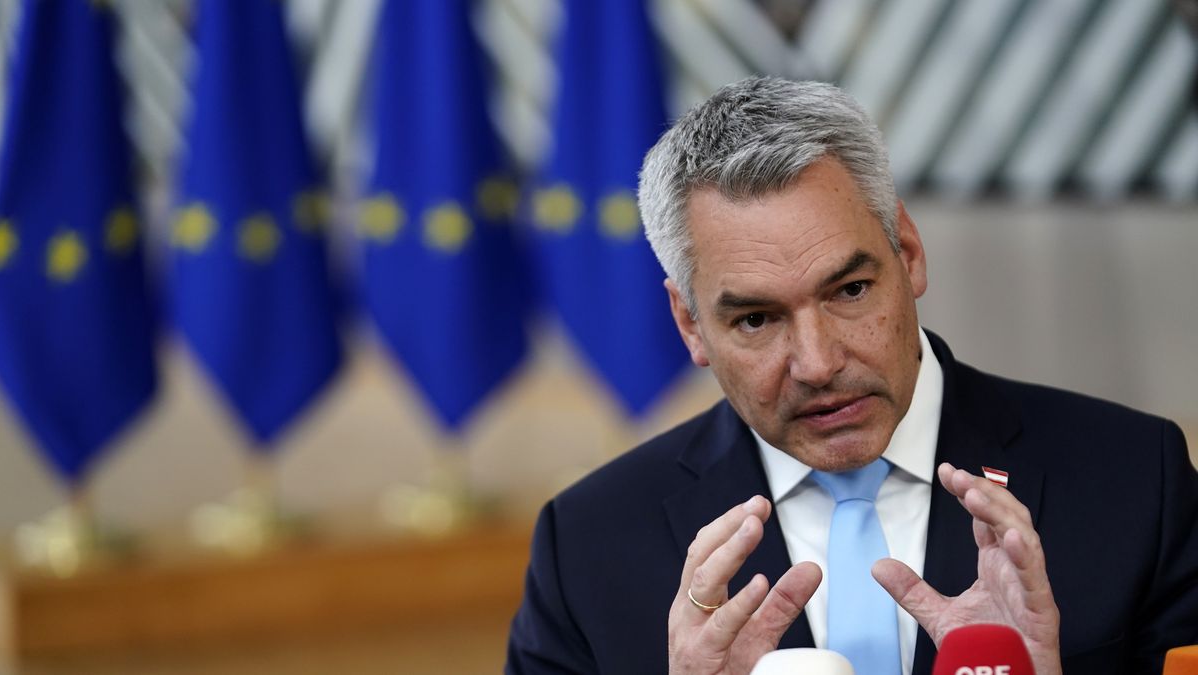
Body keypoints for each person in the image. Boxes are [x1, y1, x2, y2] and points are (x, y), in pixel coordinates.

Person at [505, 77, 1198, 675]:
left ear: (909, 252)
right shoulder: (588, 545)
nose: (818, 362)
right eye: (755, 320)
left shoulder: (1138, 481)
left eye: (850, 291)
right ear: (690, 325)